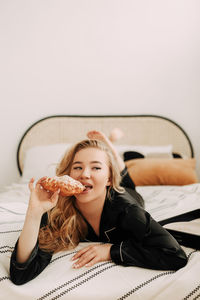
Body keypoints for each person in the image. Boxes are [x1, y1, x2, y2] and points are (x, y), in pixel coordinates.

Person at [10, 130, 188, 285]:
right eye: (77, 167)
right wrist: (33, 213)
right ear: (69, 174)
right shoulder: (58, 211)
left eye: (96, 167)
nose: (84, 174)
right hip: (108, 186)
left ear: (108, 179)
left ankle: (111, 147)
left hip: (127, 193)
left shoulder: (128, 212)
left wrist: (111, 251)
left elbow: (175, 255)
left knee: (127, 182)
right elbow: (21, 273)